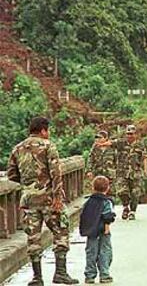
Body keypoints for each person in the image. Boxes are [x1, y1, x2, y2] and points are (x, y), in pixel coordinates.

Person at [7, 117, 79, 285]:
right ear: (43, 130)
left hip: (29, 200)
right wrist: (57, 198)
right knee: (61, 232)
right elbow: (56, 173)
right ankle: (60, 273)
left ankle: (37, 277)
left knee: (33, 238)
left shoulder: (17, 149)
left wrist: (28, 185)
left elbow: (11, 174)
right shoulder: (48, 146)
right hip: (48, 199)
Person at [79, 176, 116, 284]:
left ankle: (89, 275)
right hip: (103, 230)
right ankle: (104, 274)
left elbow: (84, 215)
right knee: (105, 251)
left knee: (91, 252)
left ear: (93, 188)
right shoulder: (107, 202)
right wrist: (107, 228)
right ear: (107, 188)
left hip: (91, 231)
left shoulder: (88, 201)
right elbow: (107, 216)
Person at [113, 125, 147, 220]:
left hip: (135, 172)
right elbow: (110, 143)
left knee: (135, 193)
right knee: (121, 191)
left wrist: (145, 170)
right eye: (128, 134)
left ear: (135, 134)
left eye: (131, 134)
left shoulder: (140, 145)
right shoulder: (121, 143)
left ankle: (132, 211)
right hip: (122, 172)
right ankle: (125, 207)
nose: (129, 136)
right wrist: (101, 143)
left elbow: (144, 157)